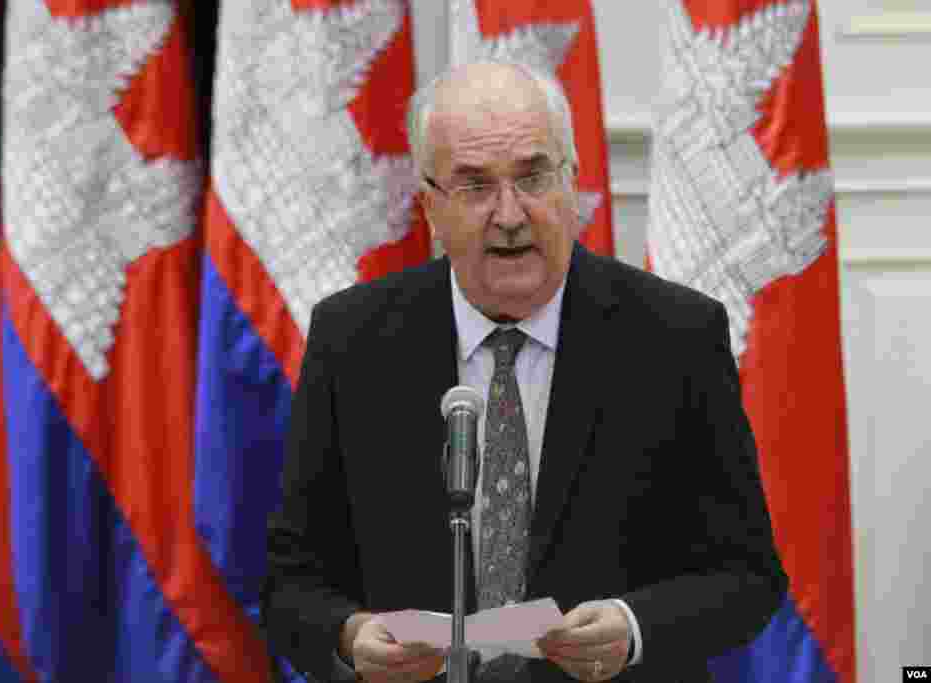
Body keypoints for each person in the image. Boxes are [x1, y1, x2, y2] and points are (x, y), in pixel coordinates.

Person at [262, 60, 787, 683]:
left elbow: (747, 575)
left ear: (571, 183)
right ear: (430, 206)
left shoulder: (673, 336)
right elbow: (292, 581)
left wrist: (636, 626)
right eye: (475, 186)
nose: (510, 215)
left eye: (534, 177)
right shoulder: (354, 340)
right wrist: (350, 637)